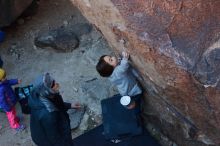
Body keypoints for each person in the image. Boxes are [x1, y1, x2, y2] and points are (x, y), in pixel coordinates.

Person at [28, 72, 81, 146]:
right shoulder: (48, 115)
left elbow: (56, 104)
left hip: (44, 130)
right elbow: (55, 139)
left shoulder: (43, 95)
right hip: (46, 139)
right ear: (45, 90)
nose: (56, 84)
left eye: (54, 81)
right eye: (52, 84)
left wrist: (69, 105)